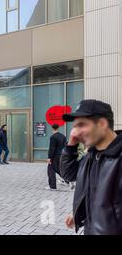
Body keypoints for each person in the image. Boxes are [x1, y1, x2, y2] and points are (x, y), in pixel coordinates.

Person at [61, 100, 122, 235]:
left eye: (81, 125)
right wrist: (71, 146)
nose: (75, 132)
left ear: (102, 124)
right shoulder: (92, 155)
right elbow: (68, 175)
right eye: (74, 126)